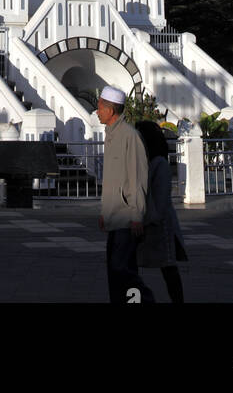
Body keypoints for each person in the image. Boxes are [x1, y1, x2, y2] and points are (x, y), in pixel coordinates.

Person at [97, 85, 155, 304]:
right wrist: (105, 212)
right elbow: (112, 179)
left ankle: (145, 301)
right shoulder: (111, 135)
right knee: (114, 270)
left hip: (127, 217)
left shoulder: (130, 136)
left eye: (100, 107)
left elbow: (138, 178)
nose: (97, 111)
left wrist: (137, 215)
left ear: (110, 110)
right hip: (114, 217)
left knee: (124, 270)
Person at [134, 120, 189, 303]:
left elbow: (161, 198)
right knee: (133, 267)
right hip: (146, 221)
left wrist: (149, 219)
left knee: (168, 268)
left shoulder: (159, 164)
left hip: (160, 224)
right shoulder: (145, 162)